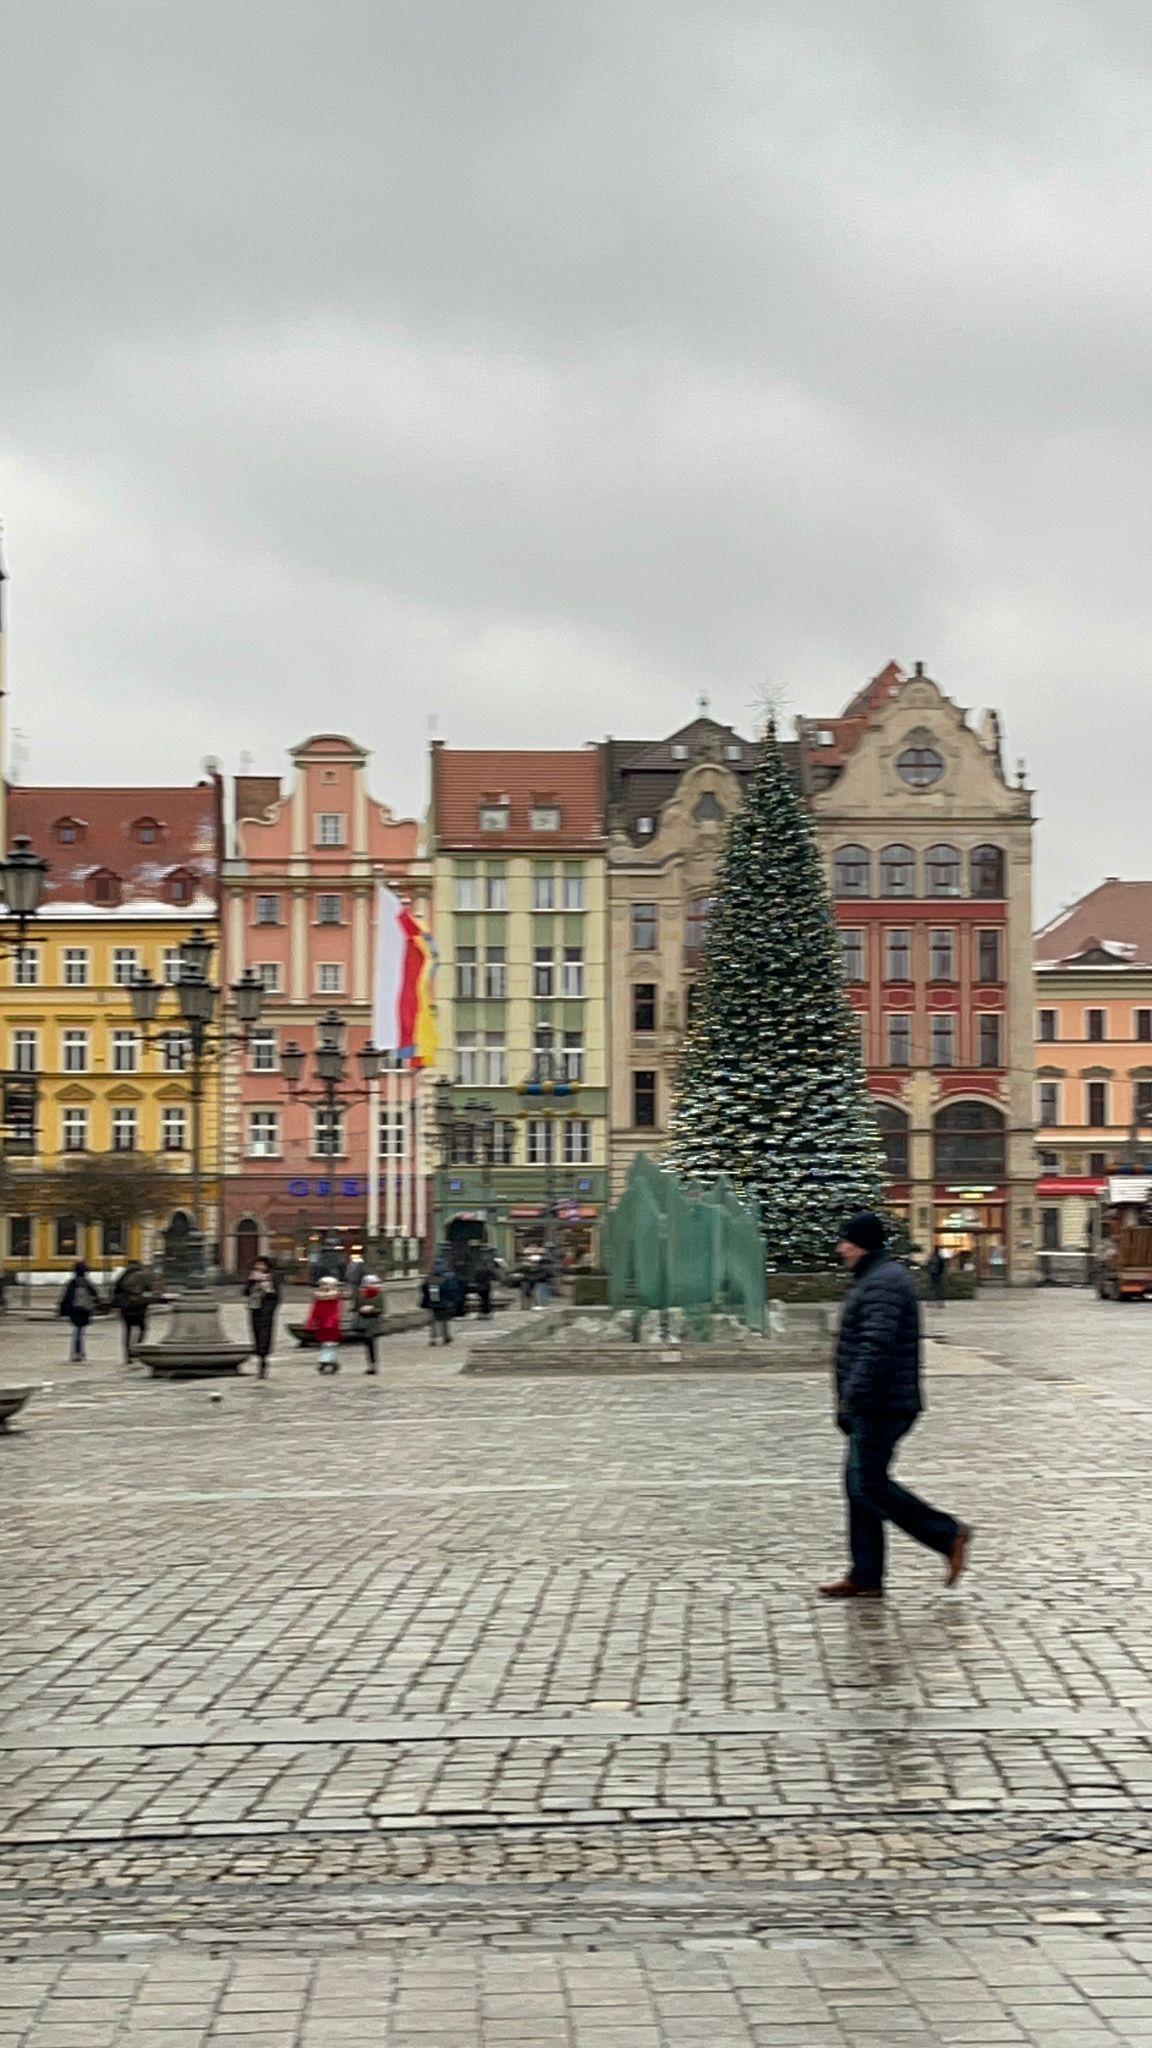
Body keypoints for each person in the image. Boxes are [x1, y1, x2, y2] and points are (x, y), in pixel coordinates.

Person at [821, 1211, 972, 1600]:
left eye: (847, 1242)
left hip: (882, 1403)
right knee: (859, 1487)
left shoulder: (883, 1283)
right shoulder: (875, 1279)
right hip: (876, 1401)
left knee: (867, 1484)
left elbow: (877, 1346)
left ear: (864, 1244)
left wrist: (852, 1397)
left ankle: (947, 1534)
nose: (841, 1249)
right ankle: (866, 1575)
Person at [244, 1256, 282, 1379]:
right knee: (255, 1333)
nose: (259, 1267)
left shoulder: (272, 1278)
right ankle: (260, 1356)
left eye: (262, 1265)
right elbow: (245, 1292)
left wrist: (270, 1308)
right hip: (255, 1309)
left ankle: (263, 1359)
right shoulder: (253, 1277)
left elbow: (276, 1295)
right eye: (258, 1264)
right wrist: (251, 1281)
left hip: (266, 1311)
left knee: (265, 1335)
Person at [112, 1260, 154, 1362]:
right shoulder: (142, 1277)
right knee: (143, 1328)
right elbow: (149, 1290)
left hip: (126, 1308)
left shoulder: (122, 1277)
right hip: (139, 1307)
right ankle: (137, 1348)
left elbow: (115, 1291)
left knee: (127, 1331)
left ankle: (127, 1354)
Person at [58, 1261, 100, 1362]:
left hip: (75, 1310)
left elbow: (67, 1297)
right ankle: (79, 1351)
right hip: (84, 1309)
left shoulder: (72, 1283)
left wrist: (64, 1310)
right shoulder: (87, 1283)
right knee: (80, 1331)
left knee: (77, 1331)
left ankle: (77, 1352)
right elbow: (95, 1295)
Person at [305, 1274, 343, 1373]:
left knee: (330, 1343)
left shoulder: (335, 1297)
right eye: (322, 1285)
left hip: (331, 1324)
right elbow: (315, 1311)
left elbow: (336, 1311)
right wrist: (312, 1321)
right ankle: (330, 1360)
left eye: (327, 1285)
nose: (324, 1287)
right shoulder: (318, 1299)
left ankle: (326, 1360)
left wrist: (332, 1321)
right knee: (325, 1343)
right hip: (322, 1324)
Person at [421, 1265, 461, 1345]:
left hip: (432, 1304)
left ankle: (433, 1338)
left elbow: (424, 1291)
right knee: (444, 1321)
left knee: (434, 1321)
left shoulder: (428, 1280)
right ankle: (445, 1337)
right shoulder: (444, 1280)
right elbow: (448, 1292)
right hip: (443, 1304)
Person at [354, 1273, 384, 1373]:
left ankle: (373, 1365)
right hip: (363, 1320)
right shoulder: (360, 1294)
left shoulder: (379, 1294)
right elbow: (356, 1306)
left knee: (371, 1343)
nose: (374, 1285)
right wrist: (361, 1309)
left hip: (374, 1321)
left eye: (375, 1283)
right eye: (371, 1283)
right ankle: (371, 1364)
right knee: (367, 1343)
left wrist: (372, 1309)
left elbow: (381, 1309)